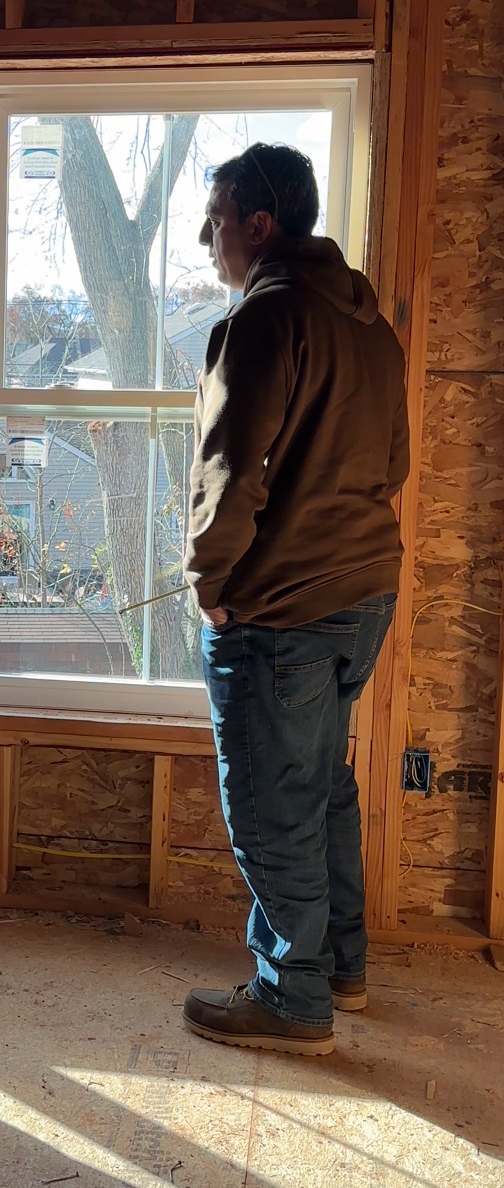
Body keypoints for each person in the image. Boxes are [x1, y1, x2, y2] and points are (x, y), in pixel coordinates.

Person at [181, 144, 409, 1057]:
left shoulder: (267, 320)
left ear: (258, 225)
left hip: (282, 609)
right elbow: (392, 466)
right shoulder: (371, 326)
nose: (208, 238)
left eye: (215, 220)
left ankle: (290, 994)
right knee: (322, 787)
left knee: (273, 798)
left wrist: (210, 582)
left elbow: (230, 474)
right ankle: (341, 967)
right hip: (366, 595)